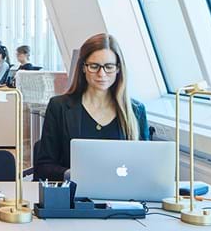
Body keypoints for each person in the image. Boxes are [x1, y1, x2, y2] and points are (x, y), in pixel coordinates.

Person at [33, 33, 149, 182]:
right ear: (83, 67)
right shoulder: (59, 107)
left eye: (109, 67)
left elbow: (145, 165)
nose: (102, 74)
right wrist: (72, 175)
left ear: (118, 69)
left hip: (122, 192)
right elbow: (43, 167)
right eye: (94, 66)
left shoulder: (136, 111)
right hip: (75, 192)